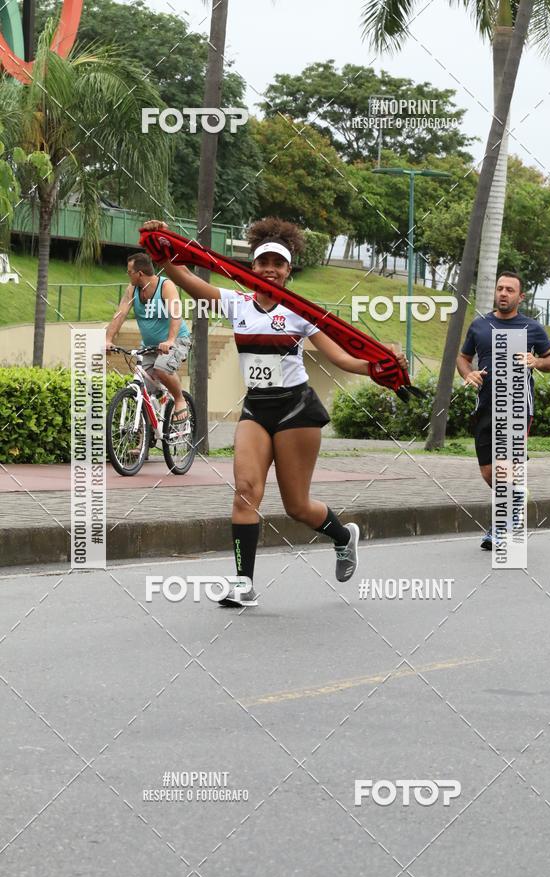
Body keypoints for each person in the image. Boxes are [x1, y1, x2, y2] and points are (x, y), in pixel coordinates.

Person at [141, 216, 408, 607]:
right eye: (263, 261)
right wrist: (159, 246)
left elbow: (340, 357)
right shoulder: (236, 303)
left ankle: (342, 536)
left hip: (296, 409)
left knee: (297, 507)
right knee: (245, 492)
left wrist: (381, 364)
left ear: (288, 271)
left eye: (278, 263)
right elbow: (185, 278)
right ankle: (243, 583)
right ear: (252, 267)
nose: (270, 268)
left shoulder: (300, 313)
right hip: (256, 410)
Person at [457, 271, 550, 550]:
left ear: (520, 296)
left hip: (516, 406)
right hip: (485, 406)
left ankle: (501, 526)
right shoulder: (479, 325)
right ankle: (516, 499)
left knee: (504, 469)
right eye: (500, 289)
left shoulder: (532, 328)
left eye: (510, 290)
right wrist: (468, 374)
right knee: (488, 472)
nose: (503, 293)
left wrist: (536, 361)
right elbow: (463, 358)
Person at [105, 252, 192, 429]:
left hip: (177, 341)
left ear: (140, 274)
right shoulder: (132, 290)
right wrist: (108, 338)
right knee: (140, 391)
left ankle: (180, 399)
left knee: (161, 369)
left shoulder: (165, 286)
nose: (127, 275)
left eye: (129, 272)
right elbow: (120, 313)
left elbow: (176, 314)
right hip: (150, 347)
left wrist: (170, 340)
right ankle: (143, 442)